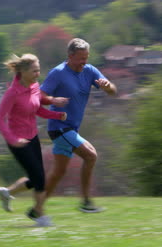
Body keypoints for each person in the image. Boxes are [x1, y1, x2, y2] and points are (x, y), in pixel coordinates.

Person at [40, 38, 117, 213]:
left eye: (86, 57)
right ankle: (86, 202)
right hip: (59, 127)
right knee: (91, 156)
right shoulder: (58, 73)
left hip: (71, 129)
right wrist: (53, 100)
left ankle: (37, 207)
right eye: (81, 58)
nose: (84, 62)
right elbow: (39, 96)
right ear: (70, 56)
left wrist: (107, 86)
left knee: (58, 173)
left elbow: (113, 91)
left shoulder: (89, 71)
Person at [0, 53, 68, 227]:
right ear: (24, 72)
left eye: (38, 70)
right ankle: (39, 215)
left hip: (33, 137)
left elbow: (38, 109)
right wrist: (12, 139)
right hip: (17, 141)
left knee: (36, 178)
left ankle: (6, 192)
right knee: (40, 179)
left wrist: (56, 114)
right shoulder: (12, 93)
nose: (37, 74)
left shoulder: (34, 87)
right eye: (34, 71)